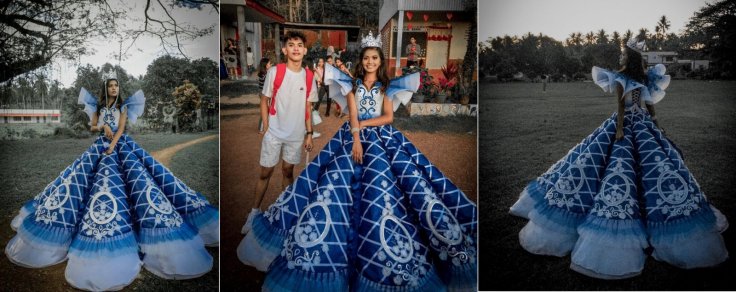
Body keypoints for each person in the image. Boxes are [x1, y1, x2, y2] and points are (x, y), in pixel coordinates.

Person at [237, 31, 477, 291]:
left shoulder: (388, 86)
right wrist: (357, 137)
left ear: (379, 60)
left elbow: (388, 118)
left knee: (402, 185)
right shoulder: (351, 85)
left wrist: (365, 124)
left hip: (383, 138)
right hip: (353, 138)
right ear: (361, 61)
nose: (370, 62)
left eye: (374, 58)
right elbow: (351, 115)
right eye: (366, 58)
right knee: (330, 185)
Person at [509, 38, 728, 279]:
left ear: (629, 57)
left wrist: (654, 123)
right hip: (630, 123)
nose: (622, 58)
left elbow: (647, 103)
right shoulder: (623, 77)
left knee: (653, 166)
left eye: (625, 54)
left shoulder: (642, 77)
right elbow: (621, 107)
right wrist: (621, 128)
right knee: (606, 163)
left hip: (639, 123)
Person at [5, 70, 220, 291]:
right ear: (106, 88)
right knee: (80, 181)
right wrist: (102, 127)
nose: (114, 88)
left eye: (116, 85)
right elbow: (92, 127)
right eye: (110, 86)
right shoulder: (99, 108)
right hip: (99, 146)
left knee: (140, 181)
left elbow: (122, 128)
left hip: (121, 146)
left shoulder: (123, 107)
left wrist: (112, 144)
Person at [249, 31, 318, 225]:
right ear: (284, 49)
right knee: (265, 172)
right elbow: (264, 100)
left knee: (288, 172)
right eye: (291, 44)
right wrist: (266, 125)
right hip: (274, 133)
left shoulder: (309, 76)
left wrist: (309, 133)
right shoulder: (275, 72)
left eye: (299, 45)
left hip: (296, 135)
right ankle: (254, 212)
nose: (295, 48)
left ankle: (285, 212)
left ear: (305, 50)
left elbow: (308, 107)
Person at [257, 57, 272, 132]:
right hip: (264, 93)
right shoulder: (266, 74)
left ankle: (264, 127)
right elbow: (268, 86)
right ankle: (261, 129)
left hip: (262, 92)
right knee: (265, 110)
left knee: (265, 110)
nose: (271, 64)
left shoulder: (262, 73)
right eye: (269, 63)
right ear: (266, 65)